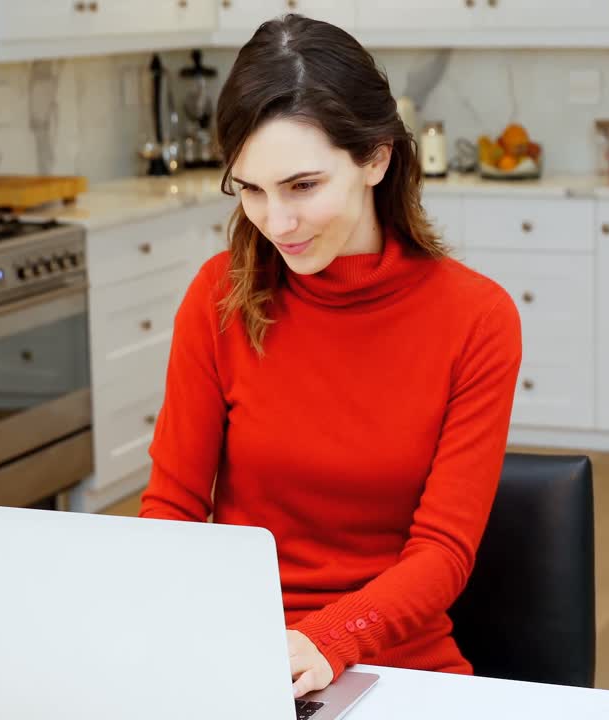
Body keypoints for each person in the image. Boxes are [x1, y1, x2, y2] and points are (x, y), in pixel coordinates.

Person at [139, 14, 522, 699]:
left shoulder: (477, 320)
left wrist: (329, 639)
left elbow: (443, 552)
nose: (276, 222)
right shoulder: (218, 298)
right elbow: (172, 507)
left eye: (302, 186)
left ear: (376, 158)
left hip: (396, 664)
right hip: (240, 658)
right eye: (250, 190)